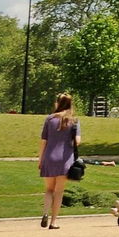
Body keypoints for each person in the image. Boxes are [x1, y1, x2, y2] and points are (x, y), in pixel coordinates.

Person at [37, 93, 80, 229]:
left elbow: (43, 141)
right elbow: (77, 141)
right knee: (59, 191)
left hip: (49, 157)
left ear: (57, 103)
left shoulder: (49, 119)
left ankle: (45, 212)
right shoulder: (74, 120)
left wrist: (40, 159)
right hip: (65, 159)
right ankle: (53, 222)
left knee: (49, 189)